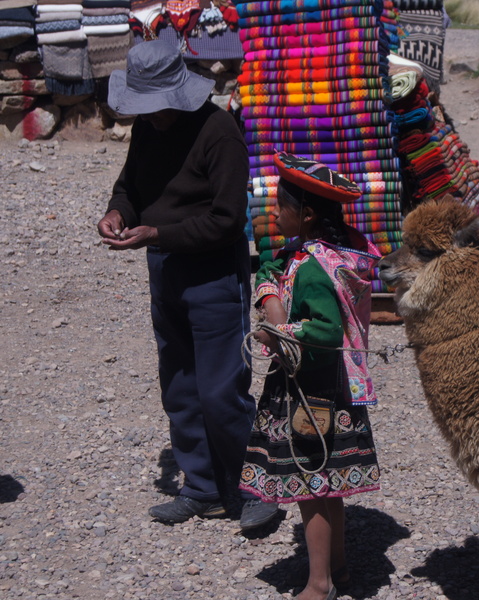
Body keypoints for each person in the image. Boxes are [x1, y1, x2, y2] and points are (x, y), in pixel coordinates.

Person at [97, 40, 277, 526]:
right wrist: (119, 212)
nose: (150, 116)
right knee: (179, 384)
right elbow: (129, 186)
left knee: (222, 390)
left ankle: (257, 487)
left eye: (156, 108)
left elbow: (227, 219)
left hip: (213, 273)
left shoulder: (219, 132)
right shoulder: (148, 130)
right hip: (165, 268)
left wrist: (159, 232)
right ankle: (202, 487)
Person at [239, 152, 382, 600]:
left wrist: (278, 331)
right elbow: (271, 270)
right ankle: (337, 569)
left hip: (312, 392)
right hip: (327, 387)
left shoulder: (315, 269)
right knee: (327, 486)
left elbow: (324, 329)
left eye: (279, 206)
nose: (271, 213)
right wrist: (270, 289)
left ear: (305, 214)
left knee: (311, 486)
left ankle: (319, 585)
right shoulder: (308, 256)